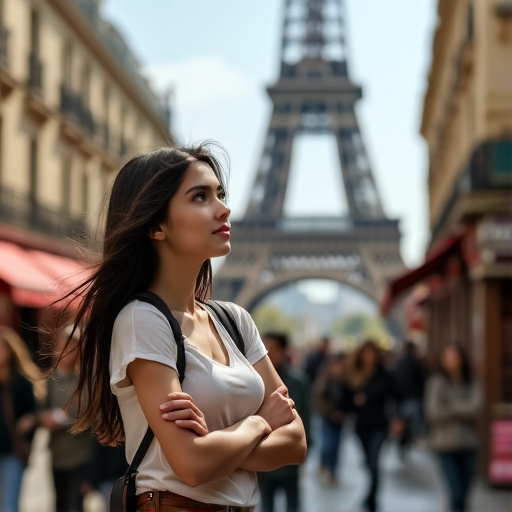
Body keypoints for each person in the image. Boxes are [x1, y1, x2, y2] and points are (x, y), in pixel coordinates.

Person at [61, 144, 307, 512]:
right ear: (156, 226)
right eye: (200, 197)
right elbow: (192, 466)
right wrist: (257, 422)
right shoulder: (141, 320)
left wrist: (216, 446)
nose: (224, 208)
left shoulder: (235, 321)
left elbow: (296, 442)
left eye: (220, 194)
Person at [39, 327, 94, 512]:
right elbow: (40, 408)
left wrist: (62, 419)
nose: (65, 350)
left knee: (75, 506)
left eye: (71, 345)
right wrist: (41, 418)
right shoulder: (49, 378)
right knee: (60, 504)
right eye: (62, 344)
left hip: (81, 455)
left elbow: (87, 411)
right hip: (57, 455)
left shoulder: (85, 379)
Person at [344, 340, 403, 512]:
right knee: (369, 464)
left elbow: (397, 397)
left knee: (374, 463)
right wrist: (354, 401)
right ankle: (370, 496)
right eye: (366, 353)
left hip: (380, 425)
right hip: (361, 426)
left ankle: (372, 500)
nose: (369, 357)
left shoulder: (385, 375)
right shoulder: (355, 375)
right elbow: (345, 401)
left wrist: (397, 418)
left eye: (372, 353)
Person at [424, 342, 481, 512]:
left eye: (455, 357)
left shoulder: (472, 381)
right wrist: (461, 407)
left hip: (469, 443)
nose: (452, 361)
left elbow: (476, 408)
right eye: (448, 357)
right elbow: (433, 412)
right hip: (444, 445)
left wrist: (449, 406)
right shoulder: (436, 383)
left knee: (464, 492)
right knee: (455, 490)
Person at [258, 332, 311, 512]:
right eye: (264, 348)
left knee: (293, 505)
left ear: (283, 351)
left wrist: (307, 448)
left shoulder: (298, 380)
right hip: (264, 457)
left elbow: (307, 417)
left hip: (289, 458)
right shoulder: (256, 380)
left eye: (272, 349)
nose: (267, 353)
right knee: (266, 505)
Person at [0, 327, 43, 512]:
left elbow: (34, 416)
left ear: (10, 350)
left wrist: (28, 423)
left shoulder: (21, 383)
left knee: (8, 506)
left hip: (12, 452)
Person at [313, 352, 347, 486]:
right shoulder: (326, 379)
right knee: (328, 444)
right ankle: (324, 465)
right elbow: (319, 398)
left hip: (340, 419)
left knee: (337, 446)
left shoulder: (345, 380)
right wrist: (331, 411)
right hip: (328, 417)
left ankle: (333, 470)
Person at [393, 340, 427, 453]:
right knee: (412, 423)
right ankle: (408, 441)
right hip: (413, 398)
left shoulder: (399, 363)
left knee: (405, 422)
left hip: (402, 398)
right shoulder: (416, 362)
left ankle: (404, 442)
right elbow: (421, 381)